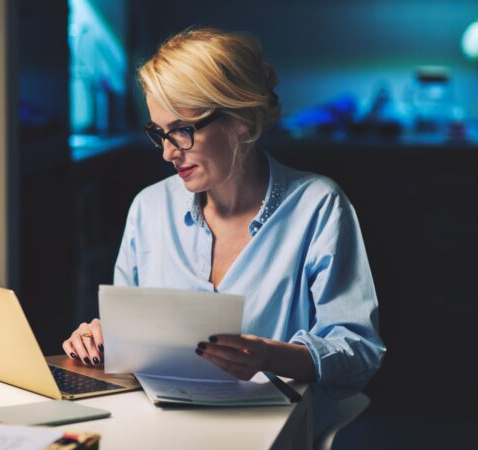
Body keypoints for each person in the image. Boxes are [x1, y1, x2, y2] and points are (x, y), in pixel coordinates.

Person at [62, 27, 386, 439]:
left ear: (241, 121)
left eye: (182, 130)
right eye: (159, 133)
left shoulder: (317, 206)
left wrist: (273, 356)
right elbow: (130, 344)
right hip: (157, 435)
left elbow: (359, 352)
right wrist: (102, 337)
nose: (167, 152)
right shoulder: (149, 208)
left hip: (267, 437)